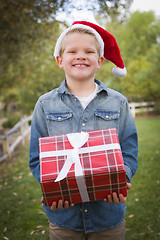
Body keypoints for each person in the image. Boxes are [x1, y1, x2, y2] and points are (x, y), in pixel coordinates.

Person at [29, 21, 138, 240]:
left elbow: (128, 150)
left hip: (108, 217)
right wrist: (53, 187)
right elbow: (37, 158)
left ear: (99, 61)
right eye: (72, 51)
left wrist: (119, 180)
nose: (81, 56)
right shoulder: (44, 104)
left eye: (89, 51)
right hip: (64, 218)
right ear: (60, 60)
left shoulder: (118, 103)